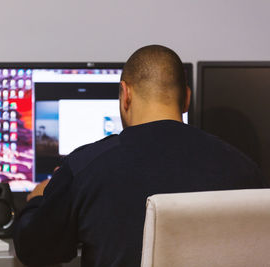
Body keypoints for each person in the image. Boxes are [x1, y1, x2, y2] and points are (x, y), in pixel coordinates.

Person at [13, 45, 268, 266]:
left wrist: (38, 199)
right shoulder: (246, 171)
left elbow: (34, 251)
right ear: (187, 99)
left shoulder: (85, 167)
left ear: (126, 95)